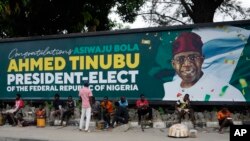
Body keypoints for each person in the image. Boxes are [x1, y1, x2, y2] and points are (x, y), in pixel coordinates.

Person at [162, 32, 246, 102]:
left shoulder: (227, 92)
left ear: (202, 60)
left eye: (193, 57)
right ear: (173, 64)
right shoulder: (169, 89)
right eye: (180, 59)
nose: (187, 64)